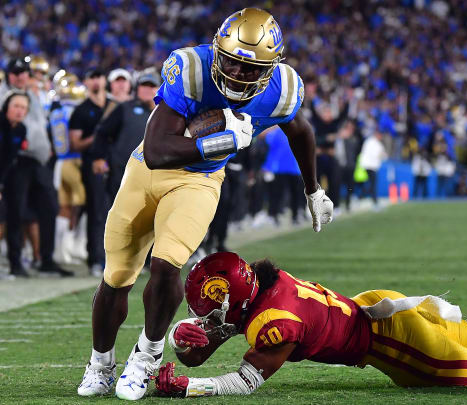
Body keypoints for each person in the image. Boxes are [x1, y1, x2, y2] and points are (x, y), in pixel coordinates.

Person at [77, 8, 334, 401]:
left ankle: (145, 359)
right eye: (232, 62)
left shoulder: (283, 89)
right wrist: (223, 141)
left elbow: (300, 129)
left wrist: (312, 188)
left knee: (166, 263)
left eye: (251, 69)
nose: (239, 74)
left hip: (200, 180)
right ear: (218, 51)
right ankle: (100, 365)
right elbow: (159, 150)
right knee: (117, 275)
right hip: (145, 170)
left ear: (271, 67)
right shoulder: (192, 68)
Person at [153, 242, 467, 398]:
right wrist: (186, 342)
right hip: (379, 306)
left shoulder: (273, 323)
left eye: (214, 307)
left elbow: (246, 381)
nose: (211, 317)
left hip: (387, 340)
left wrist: (189, 388)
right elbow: (231, 327)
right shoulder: (268, 283)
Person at [0, 57, 71, 277]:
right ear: (9, 74)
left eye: (24, 72)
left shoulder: (33, 94)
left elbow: (42, 124)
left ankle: (46, 260)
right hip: (16, 159)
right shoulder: (4, 95)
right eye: (16, 72)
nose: (21, 76)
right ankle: (15, 262)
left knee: (49, 207)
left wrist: (48, 147)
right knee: (15, 211)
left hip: (40, 160)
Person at [90, 68, 161, 200]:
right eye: (144, 85)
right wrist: (99, 157)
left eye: (151, 86)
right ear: (137, 88)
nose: (147, 89)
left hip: (152, 173)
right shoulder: (125, 108)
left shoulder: (164, 113)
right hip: (122, 172)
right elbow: (102, 133)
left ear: (159, 89)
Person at [69, 67, 110, 277]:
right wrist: (99, 136)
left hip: (115, 166)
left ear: (104, 80)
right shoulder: (81, 110)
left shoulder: (114, 106)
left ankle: (113, 259)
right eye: (92, 77)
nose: (96, 81)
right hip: (91, 165)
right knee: (96, 212)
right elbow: (75, 144)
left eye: (99, 76)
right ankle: (95, 258)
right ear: (86, 82)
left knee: (115, 212)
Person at [49, 72, 87, 264]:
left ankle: (60, 249)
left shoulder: (55, 111)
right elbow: (75, 141)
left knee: (62, 207)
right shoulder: (76, 111)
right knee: (76, 206)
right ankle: (68, 247)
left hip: (59, 161)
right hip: (75, 161)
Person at [0, 91, 30, 277]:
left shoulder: (21, 129)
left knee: (16, 215)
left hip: (8, 175)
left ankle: (15, 263)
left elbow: (10, 159)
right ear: (6, 107)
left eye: (24, 108)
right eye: (16, 106)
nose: (20, 111)